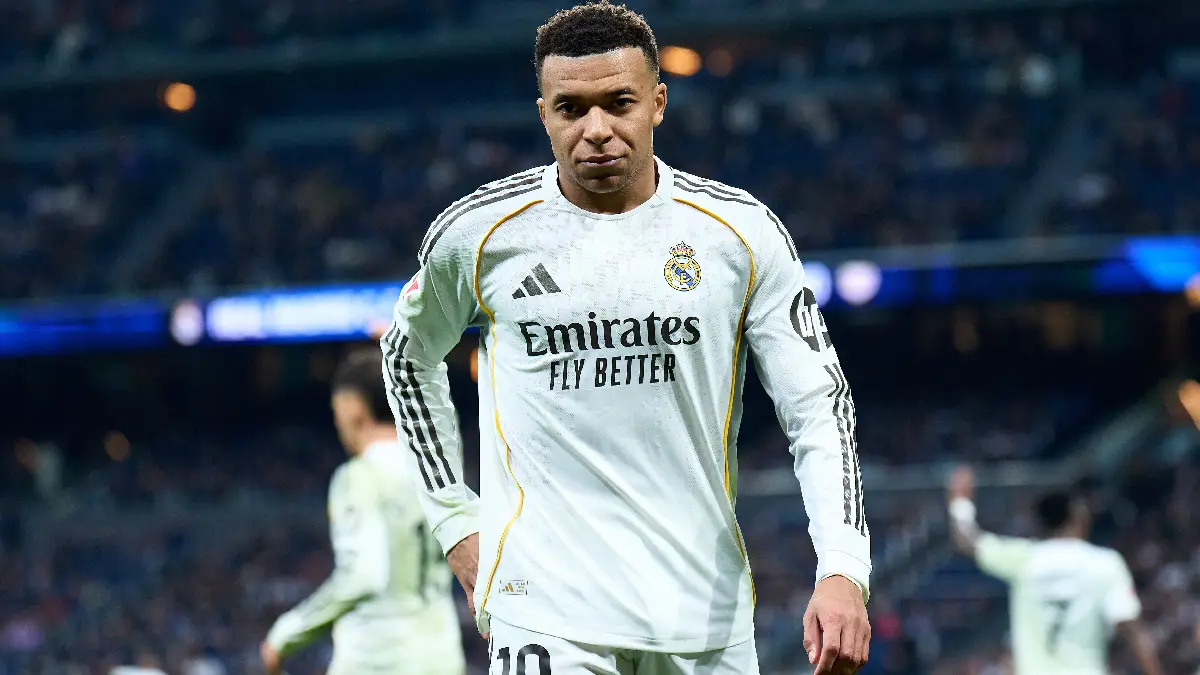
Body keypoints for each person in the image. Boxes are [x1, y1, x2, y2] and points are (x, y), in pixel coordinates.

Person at [380, 2, 871, 673]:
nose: (597, 130)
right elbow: (407, 358)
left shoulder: (739, 234)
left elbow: (817, 404)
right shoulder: (479, 235)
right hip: (546, 610)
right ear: (544, 114)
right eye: (571, 109)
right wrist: (454, 520)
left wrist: (843, 564)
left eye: (619, 102)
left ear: (658, 103)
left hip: (702, 613)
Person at [261, 348, 465, 675]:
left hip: (377, 657)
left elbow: (365, 573)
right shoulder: (436, 469)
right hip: (441, 655)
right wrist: (412, 361)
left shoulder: (359, 478)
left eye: (335, 412)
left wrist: (285, 633)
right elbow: (443, 421)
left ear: (354, 409)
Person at [946, 466, 1162, 675]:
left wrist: (960, 502)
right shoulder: (1105, 564)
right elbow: (1134, 632)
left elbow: (966, 542)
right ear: (1079, 517)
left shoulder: (1024, 560)